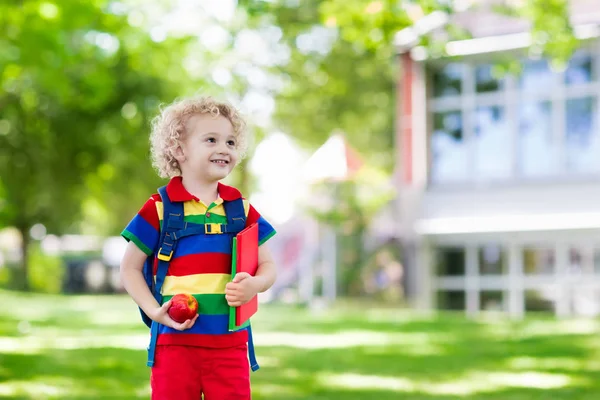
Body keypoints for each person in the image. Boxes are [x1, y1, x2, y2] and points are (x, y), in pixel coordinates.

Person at [119, 96, 277, 399]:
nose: (224, 149)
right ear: (180, 150)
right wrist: (155, 312)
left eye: (231, 142)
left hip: (230, 346)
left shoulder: (240, 210)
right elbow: (129, 269)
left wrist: (255, 285)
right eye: (211, 139)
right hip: (174, 346)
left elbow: (268, 266)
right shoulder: (159, 208)